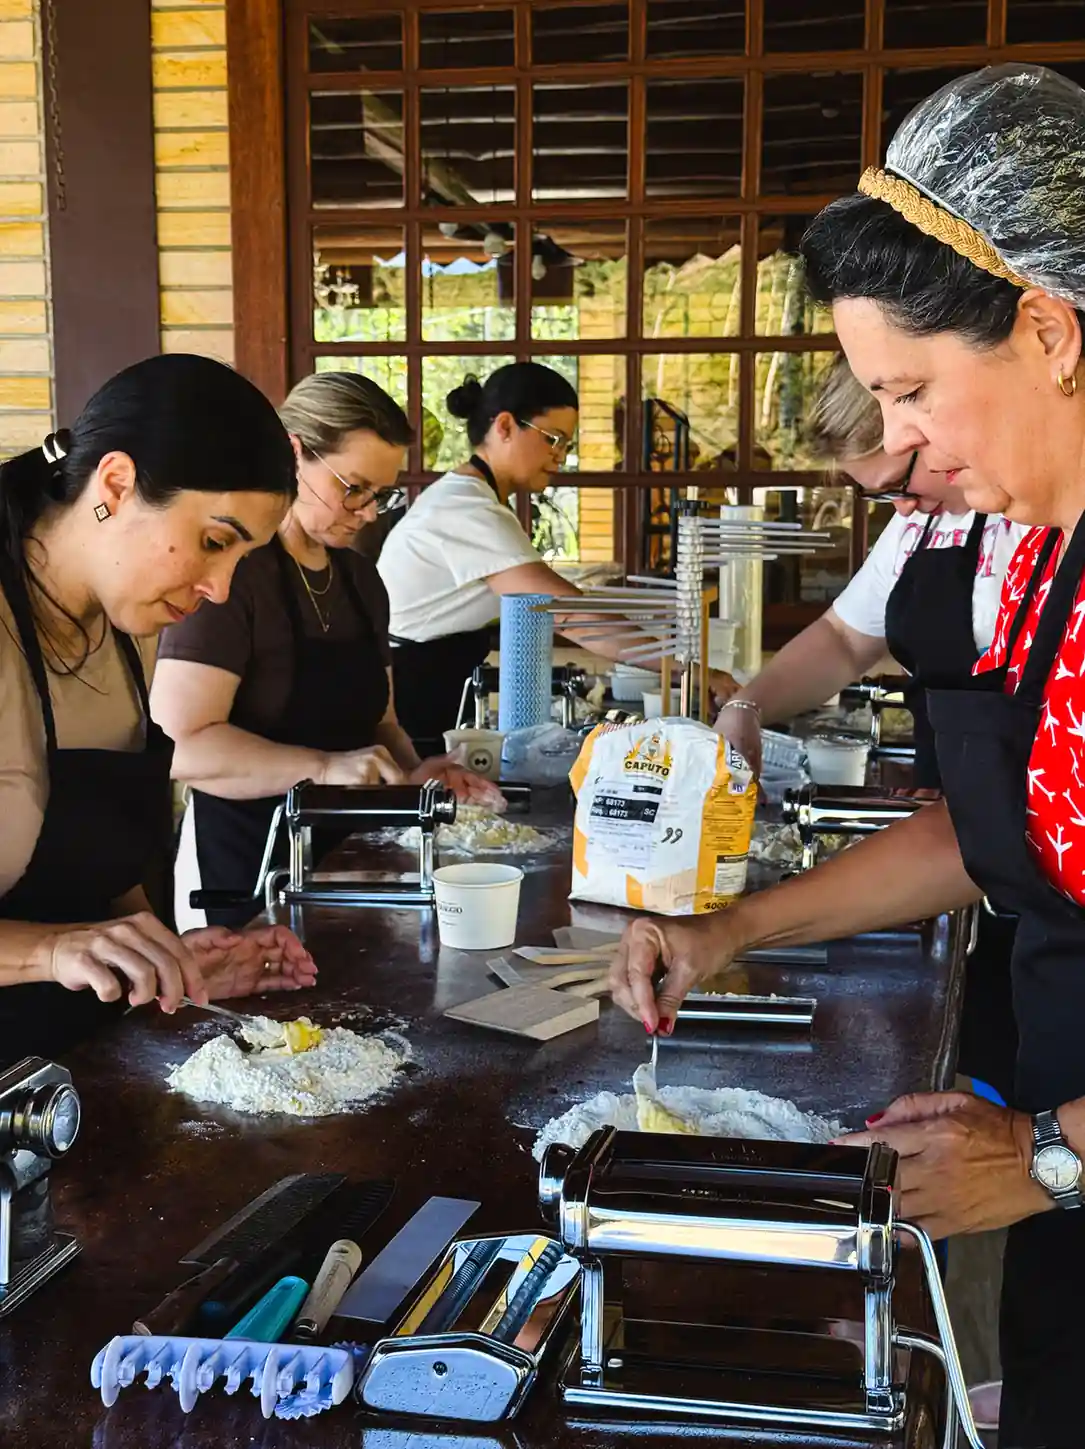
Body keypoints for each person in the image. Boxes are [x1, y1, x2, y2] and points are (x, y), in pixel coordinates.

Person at [608, 63, 1085, 1449]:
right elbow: (1000, 836)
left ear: (1046, 330)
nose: (897, 441)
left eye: (912, 388)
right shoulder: (1030, 549)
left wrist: (1048, 1154)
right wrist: (729, 926)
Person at [0, 353, 317, 1065]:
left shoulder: (124, 635)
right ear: (115, 483)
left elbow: (94, 864)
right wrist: (51, 949)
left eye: (241, 558)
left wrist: (169, 961)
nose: (220, 589)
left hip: (73, 1075)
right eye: (213, 542)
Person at [150, 372, 504, 932]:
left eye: (381, 495)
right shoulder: (233, 575)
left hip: (358, 868)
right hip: (247, 875)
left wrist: (417, 771)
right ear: (295, 454)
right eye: (353, 487)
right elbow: (181, 747)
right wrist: (321, 768)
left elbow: (380, 722)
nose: (367, 512)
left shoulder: (362, 580)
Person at [377, 363, 736, 757]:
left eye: (567, 445)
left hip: (428, 692)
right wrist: (695, 673)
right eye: (554, 439)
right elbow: (567, 613)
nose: (561, 457)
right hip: (406, 702)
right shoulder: (466, 510)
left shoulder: (476, 500)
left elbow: (563, 605)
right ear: (506, 426)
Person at [717, 356, 1028, 789]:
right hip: (945, 808)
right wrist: (747, 707)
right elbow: (844, 639)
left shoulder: (1034, 519)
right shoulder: (918, 523)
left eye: (899, 483)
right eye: (882, 496)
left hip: (1030, 810)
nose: (901, 508)